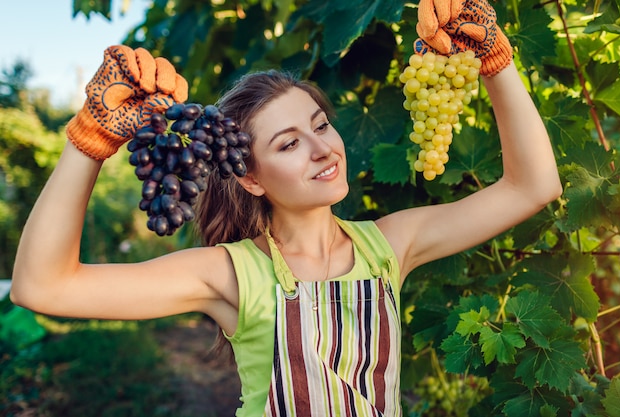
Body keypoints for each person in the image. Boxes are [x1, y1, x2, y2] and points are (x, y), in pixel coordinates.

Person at [11, 1, 562, 416]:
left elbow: (531, 186)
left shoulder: (389, 246)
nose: (324, 148)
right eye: (289, 143)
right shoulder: (232, 273)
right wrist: (89, 141)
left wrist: (494, 57)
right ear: (249, 178)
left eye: (321, 125)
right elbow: (43, 287)